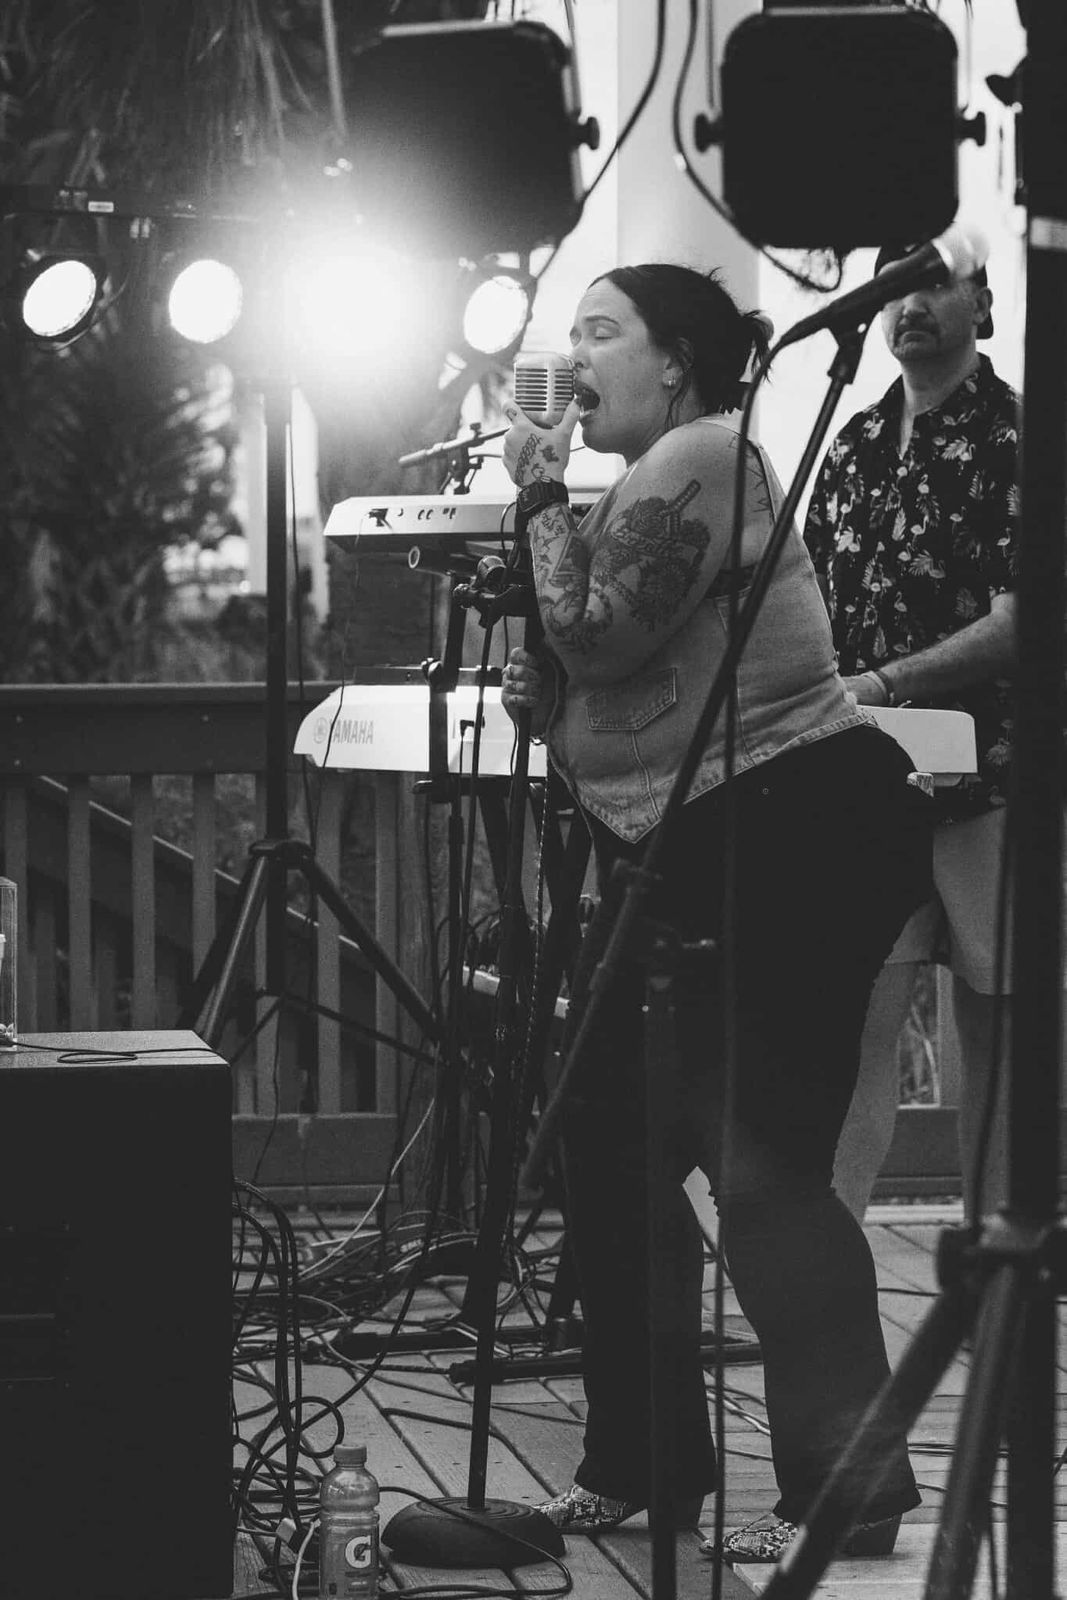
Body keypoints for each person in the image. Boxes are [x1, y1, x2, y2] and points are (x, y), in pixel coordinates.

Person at [497, 263, 932, 1562]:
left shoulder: (703, 455)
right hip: (688, 846)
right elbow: (610, 693)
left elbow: (596, 633)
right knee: (609, 1142)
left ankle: (847, 1490)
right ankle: (643, 1461)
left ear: (675, 360)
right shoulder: (634, 483)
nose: (573, 357)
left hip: (790, 829)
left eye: (599, 331)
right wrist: (549, 706)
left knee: (760, 1168)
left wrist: (534, 494)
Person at [804, 243, 1021, 1223]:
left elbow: (1025, 623)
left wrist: (884, 682)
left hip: (995, 778)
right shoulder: (851, 440)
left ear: (981, 299)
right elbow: (802, 607)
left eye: (932, 282)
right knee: (856, 1026)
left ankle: (998, 1265)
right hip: (866, 784)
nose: (911, 305)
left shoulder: (1023, 435)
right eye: (894, 289)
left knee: (997, 1036)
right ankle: (828, 1267)